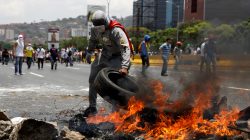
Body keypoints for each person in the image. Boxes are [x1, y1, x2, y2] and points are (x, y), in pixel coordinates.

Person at [83, 10, 131, 117]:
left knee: (116, 85)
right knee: (92, 79)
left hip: (118, 57)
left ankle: (115, 113)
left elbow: (125, 48)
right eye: (97, 27)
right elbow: (92, 41)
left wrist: (124, 66)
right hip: (104, 55)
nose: (99, 29)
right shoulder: (95, 29)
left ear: (106, 21)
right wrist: (89, 52)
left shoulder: (116, 30)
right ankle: (92, 107)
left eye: (101, 26)